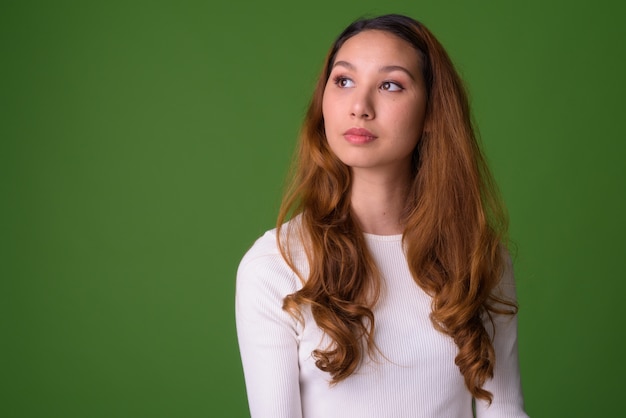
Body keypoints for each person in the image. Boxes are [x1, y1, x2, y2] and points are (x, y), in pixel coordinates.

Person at [235, 14, 529, 418]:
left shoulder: (478, 257)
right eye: (343, 81)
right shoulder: (275, 267)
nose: (359, 106)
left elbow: (504, 410)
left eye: (390, 85)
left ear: (430, 113)